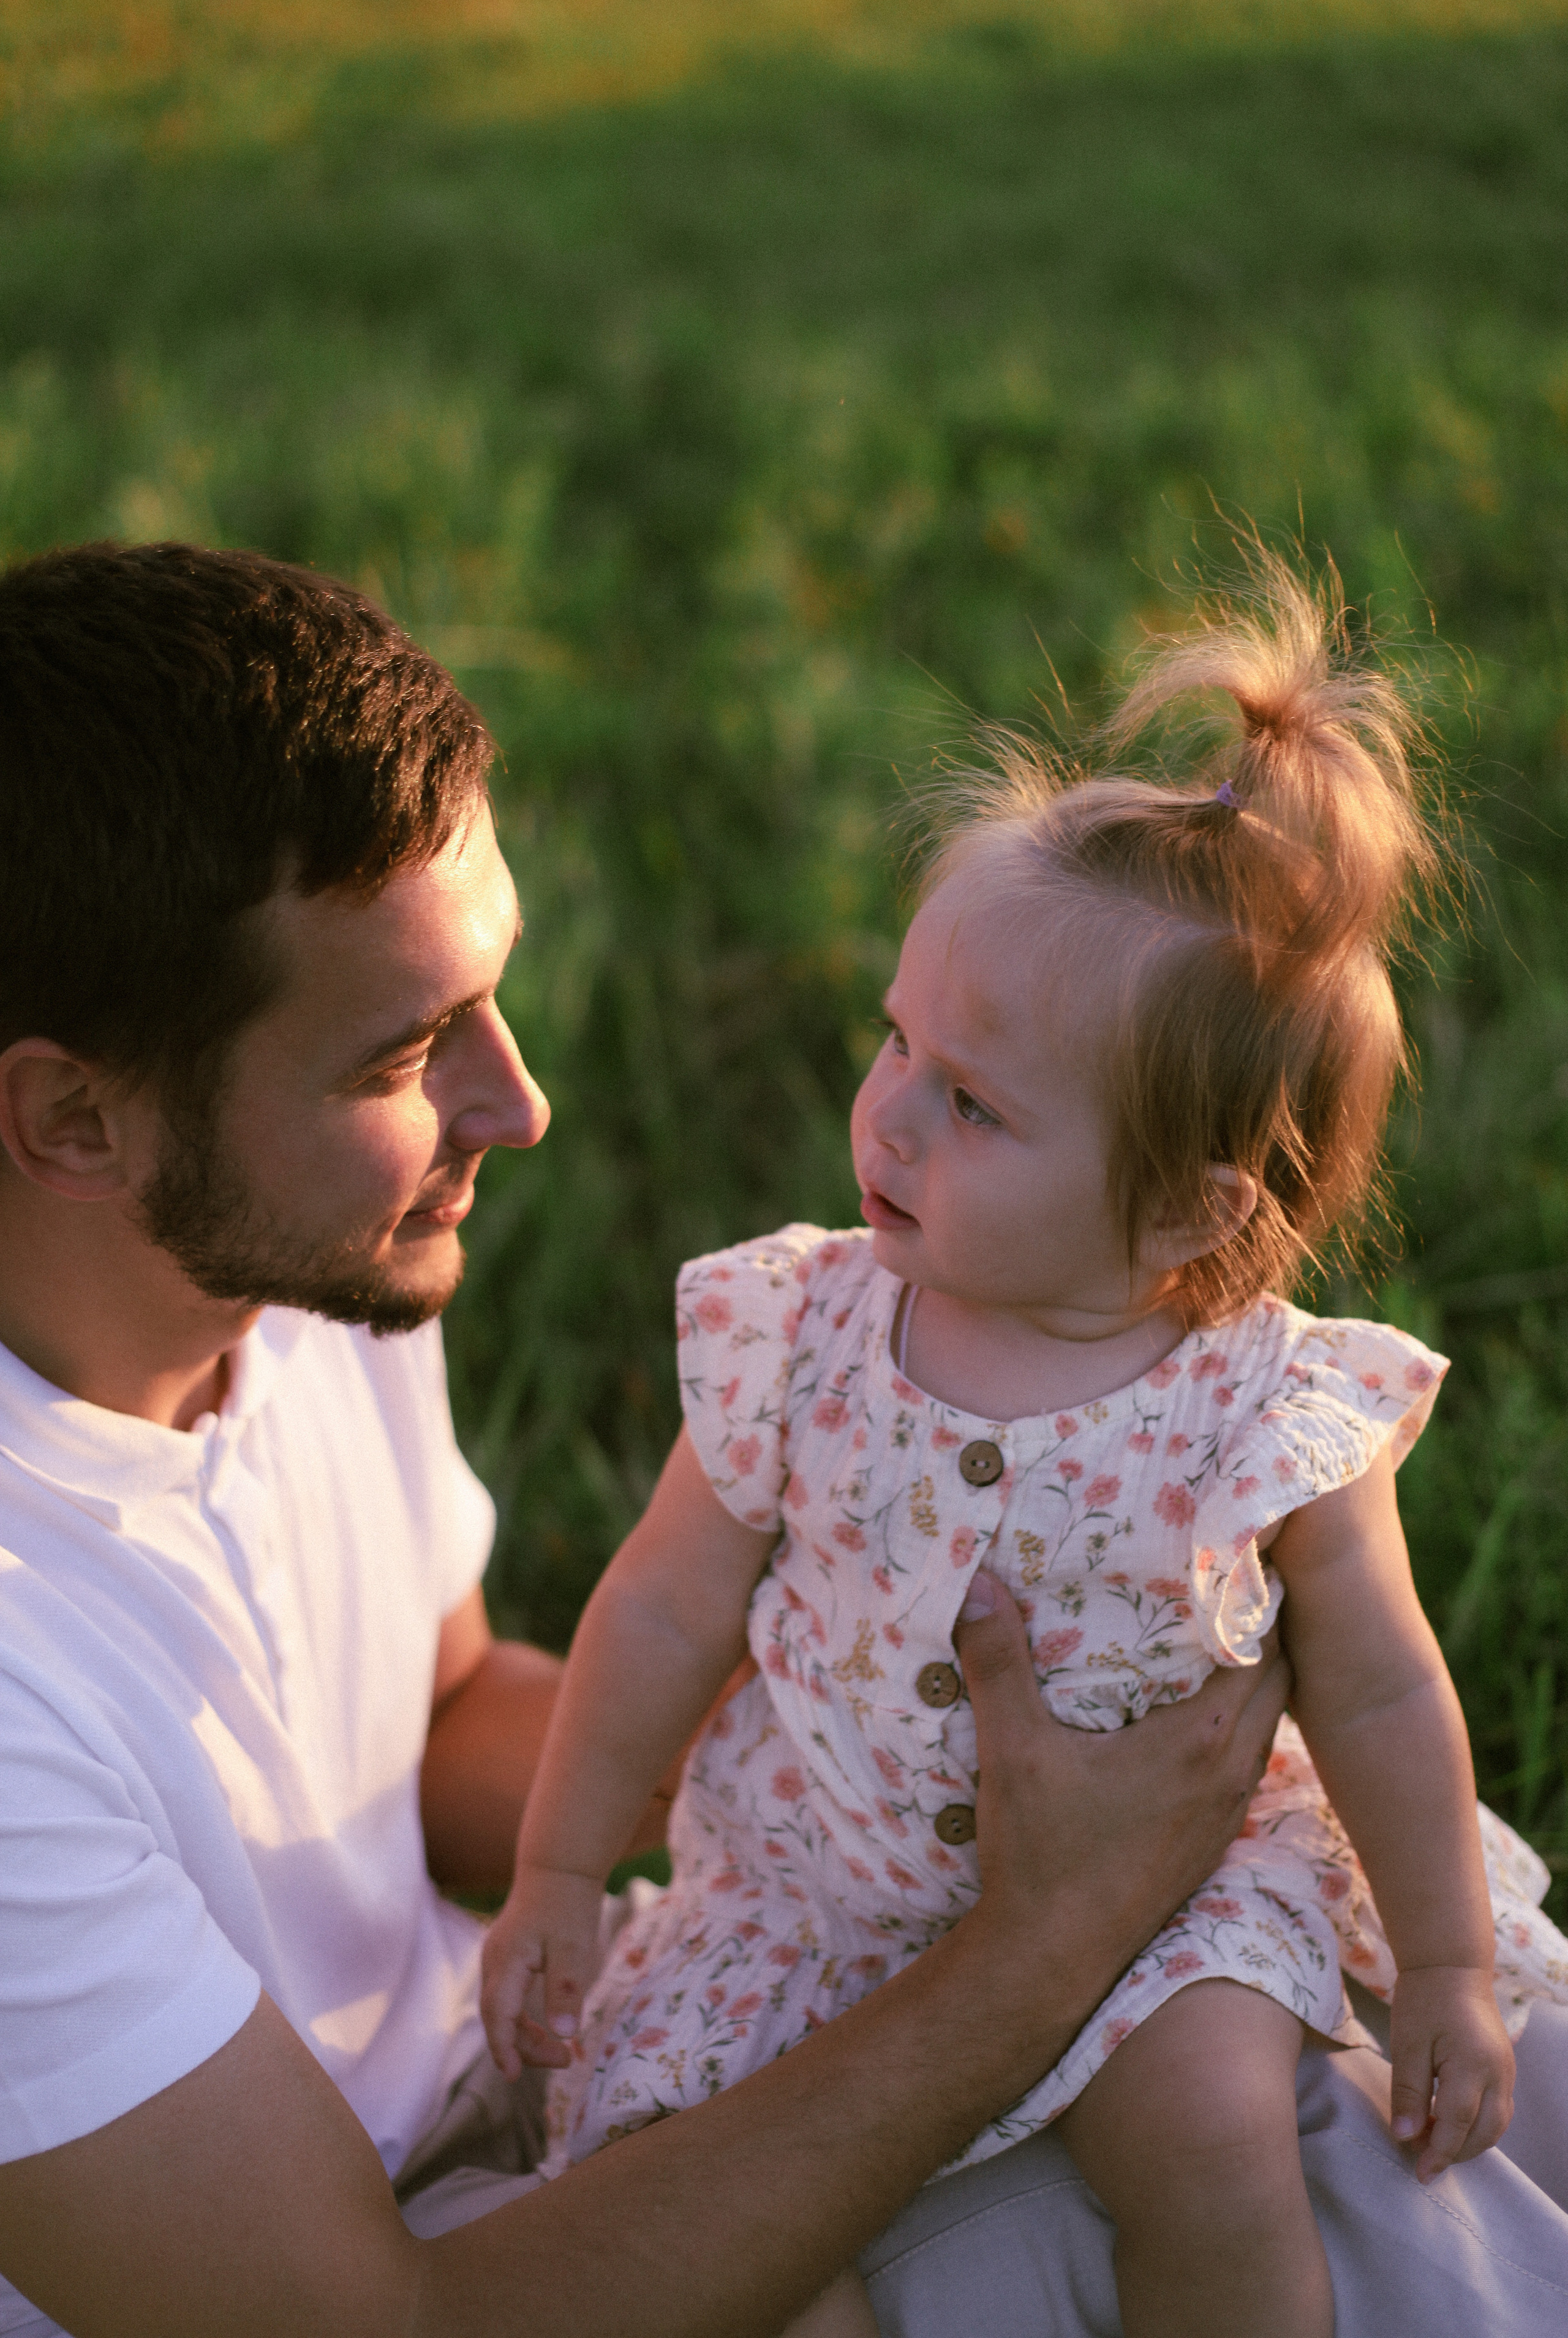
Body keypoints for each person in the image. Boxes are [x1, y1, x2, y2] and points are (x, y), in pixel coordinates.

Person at [0, 541, 1564, 2338]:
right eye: (404, 1055)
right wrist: (1049, 1926)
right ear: (76, 1122)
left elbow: (436, 1714)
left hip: (658, 2009)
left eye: (491, 997)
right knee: (1374, 2206)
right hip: (469, 2265)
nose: (522, 1103)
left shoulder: (283, 1276)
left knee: (1509, 2075)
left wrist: (869, 1781)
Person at [478, 558, 1568, 2338]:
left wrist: (1444, 1962)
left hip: (1165, 1891)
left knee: (1207, 2130)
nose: (890, 1115)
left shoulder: (1269, 1410)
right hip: (814, 1898)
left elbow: (1379, 1688)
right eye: (896, 1043)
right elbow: (665, 1608)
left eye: (974, 1103)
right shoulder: (802, 1331)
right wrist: (557, 1867)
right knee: (712, 2236)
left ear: (1188, 1212)